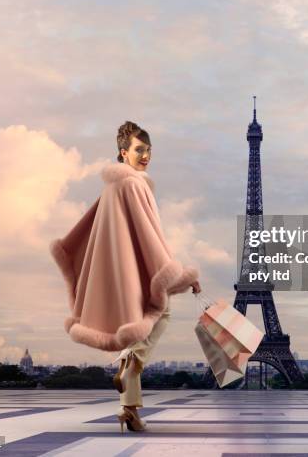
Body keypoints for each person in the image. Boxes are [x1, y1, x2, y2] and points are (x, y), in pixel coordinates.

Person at [50, 120, 201, 434]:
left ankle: (129, 409)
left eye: (148, 150)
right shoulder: (134, 184)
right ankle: (130, 359)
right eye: (139, 150)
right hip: (142, 268)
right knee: (161, 315)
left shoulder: (113, 186)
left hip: (123, 273)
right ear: (123, 153)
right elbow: (150, 235)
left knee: (137, 329)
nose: (145, 156)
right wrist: (181, 276)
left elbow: (93, 229)